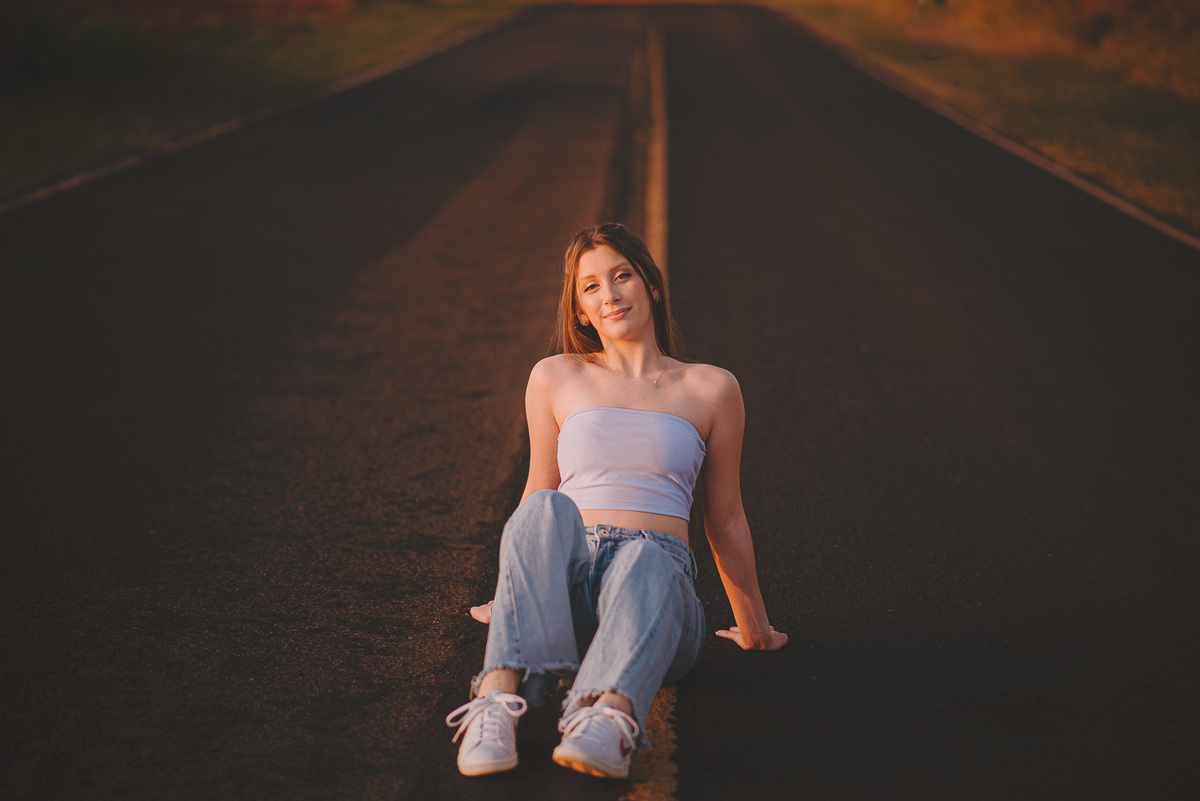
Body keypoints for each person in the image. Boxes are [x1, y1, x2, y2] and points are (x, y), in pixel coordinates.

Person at [444, 223, 787, 779]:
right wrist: (510, 591)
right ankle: (496, 701)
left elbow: (724, 517)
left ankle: (606, 716)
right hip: (573, 582)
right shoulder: (555, 376)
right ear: (579, 310)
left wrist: (756, 629)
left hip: (659, 591)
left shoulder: (711, 388)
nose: (610, 295)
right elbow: (539, 489)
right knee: (544, 509)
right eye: (591, 287)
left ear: (650, 285)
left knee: (646, 556)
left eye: (622, 275)